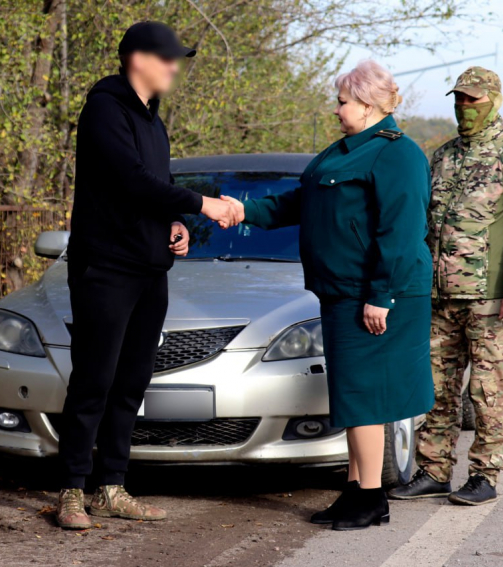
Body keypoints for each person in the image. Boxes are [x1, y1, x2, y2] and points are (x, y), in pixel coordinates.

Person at [224, 60, 434, 530]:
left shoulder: (397, 155)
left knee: (364, 398)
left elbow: (401, 232)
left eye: (342, 102)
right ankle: (356, 490)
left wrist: (381, 295)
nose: (336, 110)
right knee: (352, 397)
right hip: (341, 293)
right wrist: (244, 211)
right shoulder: (341, 153)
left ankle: (372, 499)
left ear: (367, 104)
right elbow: (300, 202)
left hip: (376, 295)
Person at [56, 21, 238, 530]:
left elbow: (151, 191)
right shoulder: (104, 110)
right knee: (94, 379)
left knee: (132, 380)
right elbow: (130, 181)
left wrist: (175, 223)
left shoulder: (153, 121)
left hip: (148, 269)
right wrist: (204, 205)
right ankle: (71, 490)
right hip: (105, 267)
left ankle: (111, 486)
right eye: (169, 58)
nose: (176, 67)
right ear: (139, 58)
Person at [389, 67, 503, 505]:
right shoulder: (442, 157)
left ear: (494, 101)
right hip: (440, 298)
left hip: (491, 299)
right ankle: (433, 469)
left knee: (487, 390)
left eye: (472, 100)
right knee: (436, 387)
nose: (464, 107)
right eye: (458, 99)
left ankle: (485, 473)